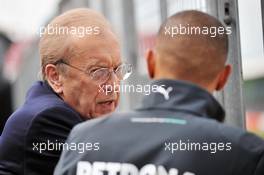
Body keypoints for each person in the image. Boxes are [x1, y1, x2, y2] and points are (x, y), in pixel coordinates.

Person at [54, 10, 264, 175]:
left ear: (151, 62)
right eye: (98, 71)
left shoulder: (84, 138)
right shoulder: (245, 153)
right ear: (223, 77)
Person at [0, 8, 131, 175]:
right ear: (55, 77)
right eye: (98, 71)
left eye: (118, 69)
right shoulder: (49, 119)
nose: (113, 84)